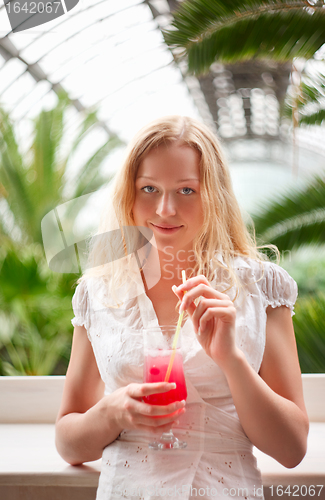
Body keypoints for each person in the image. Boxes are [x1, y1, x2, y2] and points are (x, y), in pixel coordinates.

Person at [55, 115, 309, 500]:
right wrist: (114, 413)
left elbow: (291, 449)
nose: (165, 209)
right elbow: (68, 442)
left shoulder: (260, 286)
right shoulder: (98, 292)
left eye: (186, 190)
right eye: (149, 188)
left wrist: (231, 360)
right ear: (129, 194)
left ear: (214, 195)